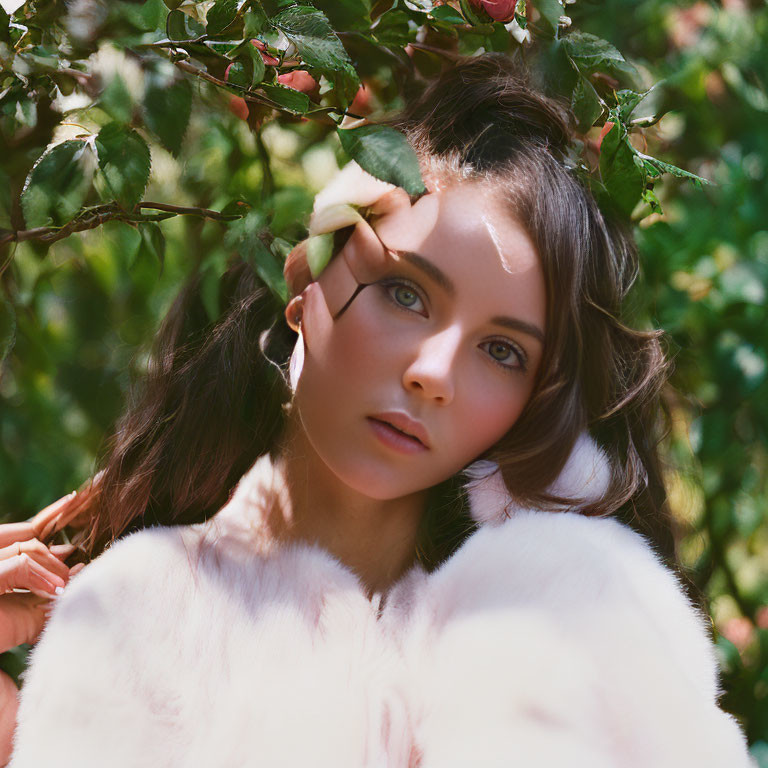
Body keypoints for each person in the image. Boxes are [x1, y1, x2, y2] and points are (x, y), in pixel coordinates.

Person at [2, 54, 753, 767]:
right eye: (405, 294)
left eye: (503, 353)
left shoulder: (558, 653)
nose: (433, 374)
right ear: (306, 285)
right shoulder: (129, 626)